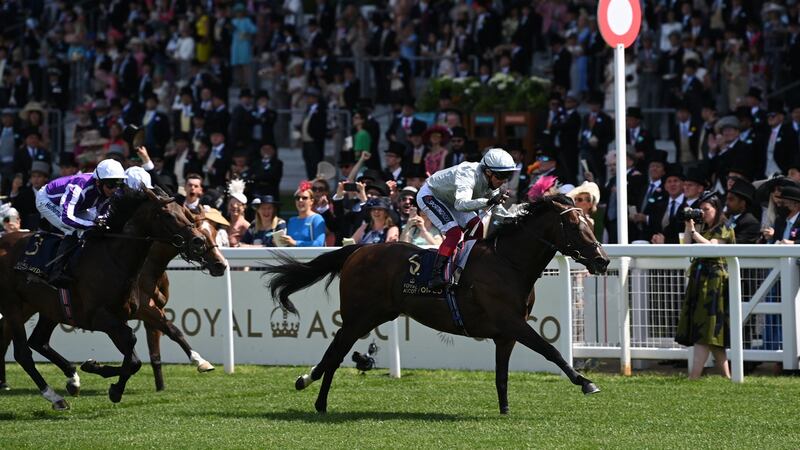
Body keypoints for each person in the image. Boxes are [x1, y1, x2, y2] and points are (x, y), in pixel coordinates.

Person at [417, 148, 518, 289]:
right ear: (488, 172)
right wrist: (488, 202)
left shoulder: (491, 181)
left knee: (477, 224)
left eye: (508, 176)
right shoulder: (468, 173)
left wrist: (513, 219)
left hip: (451, 199)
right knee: (454, 233)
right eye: (501, 176)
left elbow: (497, 210)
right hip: (431, 195)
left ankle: (467, 267)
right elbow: (460, 204)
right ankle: (435, 276)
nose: (504, 181)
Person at [36, 158, 127, 285]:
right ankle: (56, 273)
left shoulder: (108, 190)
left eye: (119, 184)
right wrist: (90, 225)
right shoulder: (79, 187)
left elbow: (102, 214)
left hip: (78, 206)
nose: (114, 190)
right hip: (47, 200)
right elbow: (66, 218)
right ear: (98, 182)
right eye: (111, 185)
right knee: (73, 229)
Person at [676, 192, 734, 380]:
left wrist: (694, 233)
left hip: (715, 281)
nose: (703, 213)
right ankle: (727, 378)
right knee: (711, 332)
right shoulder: (705, 227)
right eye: (701, 210)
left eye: (707, 210)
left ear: (717, 209)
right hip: (701, 279)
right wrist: (689, 226)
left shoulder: (724, 226)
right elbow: (686, 243)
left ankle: (694, 377)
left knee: (707, 328)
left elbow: (712, 248)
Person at [279, 181, 327, 247]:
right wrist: (279, 242)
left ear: (312, 201)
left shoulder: (317, 218)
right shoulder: (292, 220)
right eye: (297, 198)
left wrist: (296, 243)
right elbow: (288, 245)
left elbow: (319, 244)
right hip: (292, 256)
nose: (300, 200)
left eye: (304, 198)